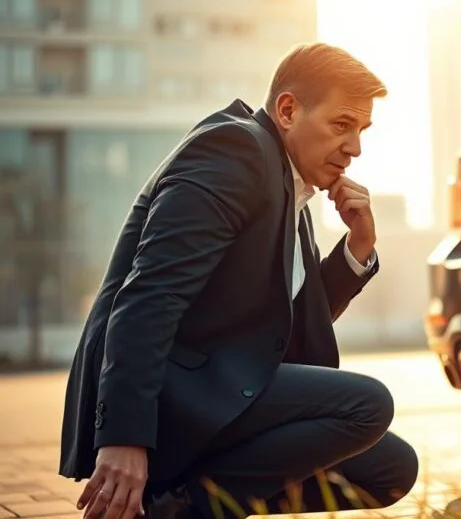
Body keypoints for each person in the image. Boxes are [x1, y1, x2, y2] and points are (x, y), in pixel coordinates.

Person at [57, 43, 419, 519]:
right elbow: (150, 295)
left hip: (219, 386)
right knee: (367, 404)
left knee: (391, 466)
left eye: (361, 130)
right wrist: (124, 438)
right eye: (341, 124)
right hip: (172, 393)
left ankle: (193, 499)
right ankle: (181, 510)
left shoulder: (291, 186)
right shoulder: (234, 150)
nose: (355, 148)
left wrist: (359, 248)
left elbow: (286, 323)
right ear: (288, 110)